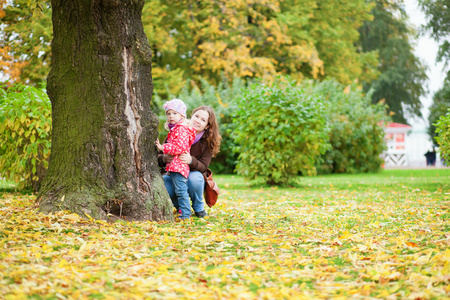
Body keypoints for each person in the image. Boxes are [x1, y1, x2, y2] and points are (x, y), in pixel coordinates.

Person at [158, 105, 221, 218]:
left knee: (195, 178)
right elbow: (159, 154)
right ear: (191, 116)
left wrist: (191, 160)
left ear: (207, 126)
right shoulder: (177, 130)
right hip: (174, 173)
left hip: (192, 174)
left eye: (203, 120)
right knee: (163, 181)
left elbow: (203, 166)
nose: (198, 121)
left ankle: (198, 208)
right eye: (196, 116)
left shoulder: (207, 142)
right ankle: (180, 208)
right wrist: (164, 158)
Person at [155, 99, 196, 219]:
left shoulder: (181, 129)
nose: (171, 116)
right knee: (177, 190)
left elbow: (179, 147)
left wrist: (163, 147)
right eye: (168, 113)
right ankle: (181, 210)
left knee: (181, 191)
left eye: (175, 113)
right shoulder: (175, 128)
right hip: (174, 166)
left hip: (179, 167)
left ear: (182, 115)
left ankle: (186, 214)